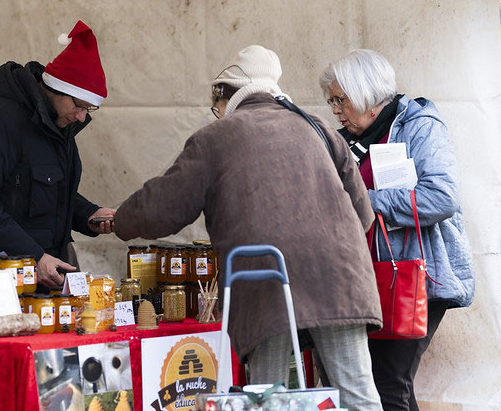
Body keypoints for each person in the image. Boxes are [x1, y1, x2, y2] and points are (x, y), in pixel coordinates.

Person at [115, 45, 384, 410]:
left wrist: (119, 219)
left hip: (262, 278)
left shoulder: (217, 137)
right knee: (358, 394)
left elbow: (164, 206)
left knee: (265, 397)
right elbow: (363, 214)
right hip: (339, 276)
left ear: (227, 97)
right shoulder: (317, 127)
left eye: (216, 105)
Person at [319, 49, 474, 411]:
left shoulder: (420, 126)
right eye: (332, 100)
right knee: (374, 379)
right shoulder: (345, 141)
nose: (335, 109)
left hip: (412, 275)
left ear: (366, 95)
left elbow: (441, 196)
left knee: (389, 378)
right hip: (363, 277)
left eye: (340, 99)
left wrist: (368, 200)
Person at [0, 20, 115, 289]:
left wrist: (89, 214)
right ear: (54, 88)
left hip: (42, 279)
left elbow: (48, 192)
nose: (82, 117)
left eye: (89, 109)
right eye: (79, 105)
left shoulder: (59, 124)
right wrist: (33, 255)